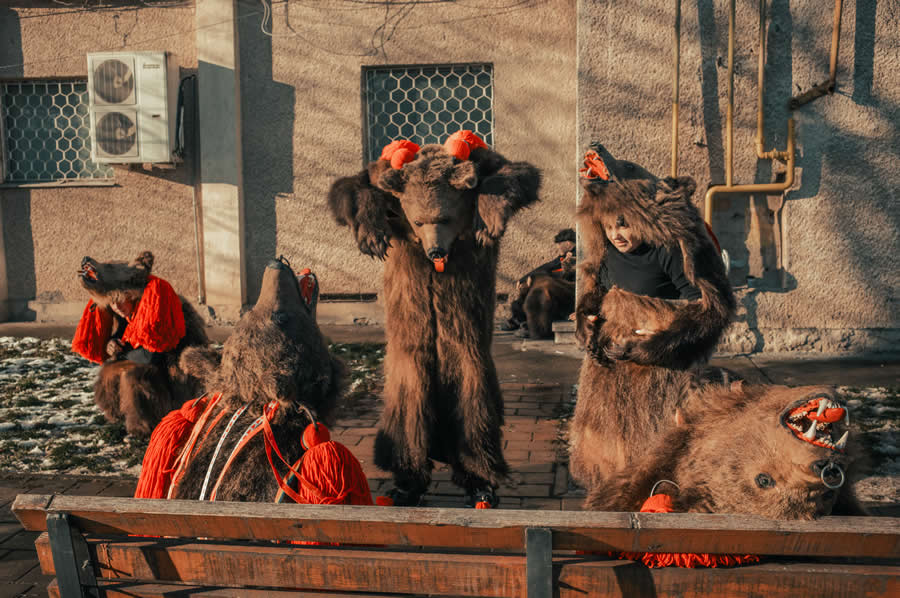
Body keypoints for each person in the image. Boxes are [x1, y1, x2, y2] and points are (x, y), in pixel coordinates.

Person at [501, 228, 577, 337]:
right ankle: (519, 319)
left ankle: (532, 325)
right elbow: (548, 266)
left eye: (560, 243)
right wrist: (525, 278)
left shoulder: (575, 255)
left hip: (571, 291)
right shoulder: (564, 256)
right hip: (563, 287)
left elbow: (566, 273)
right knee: (533, 285)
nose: (558, 246)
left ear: (568, 243)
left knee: (543, 287)